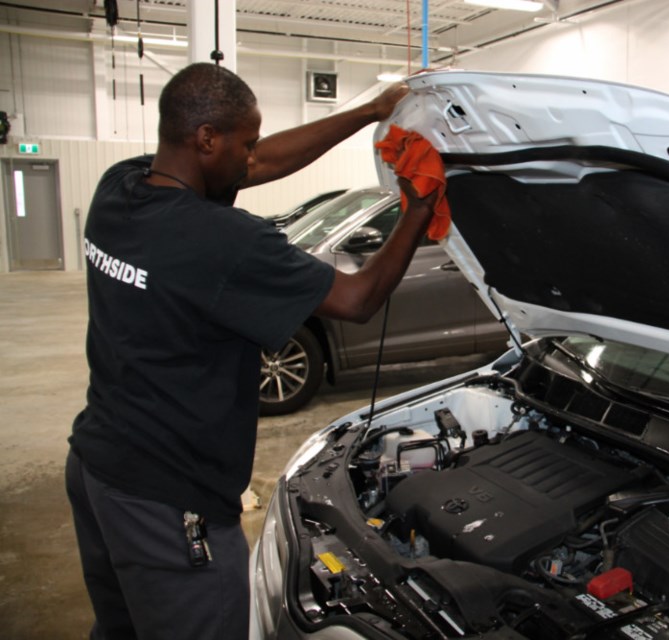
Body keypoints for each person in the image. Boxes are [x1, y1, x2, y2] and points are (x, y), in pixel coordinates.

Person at [65, 62, 437, 640]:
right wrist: (418, 207)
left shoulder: (119, 187)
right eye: (246, 142)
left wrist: (370, 110)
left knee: (121, 628)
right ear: (207, 139)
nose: (253, 157)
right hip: (170, 501)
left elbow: (260, 164)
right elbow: (358, 298)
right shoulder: (226, 241)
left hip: (97, 469)